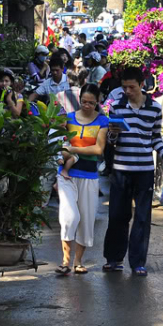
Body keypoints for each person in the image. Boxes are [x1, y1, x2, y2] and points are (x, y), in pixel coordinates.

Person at [102, 67, 163, 276]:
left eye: (131, 87)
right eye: (124, 87)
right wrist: (113, 134)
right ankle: (114, 258)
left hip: (144, 170)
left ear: (142, 85)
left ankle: (138, 262)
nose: (127, 91)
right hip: (121, 169)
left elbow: (155, 138)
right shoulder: (117, 107)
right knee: (117, 215)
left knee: (142, 217)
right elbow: (112, 141)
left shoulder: (154, 108)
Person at [55, 84, 108, 275]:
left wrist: (74, 150)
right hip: (66, 175)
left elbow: (98, 149)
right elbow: (59, 142)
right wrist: (64, 152)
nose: (86, 105)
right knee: (69, 217)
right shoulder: (68, 119)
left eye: (91, 103)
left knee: (86, 221)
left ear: (97, 103)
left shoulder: (102, 121)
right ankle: (65, 261)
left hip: (89, 176)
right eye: (84, 101)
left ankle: (77, 261)